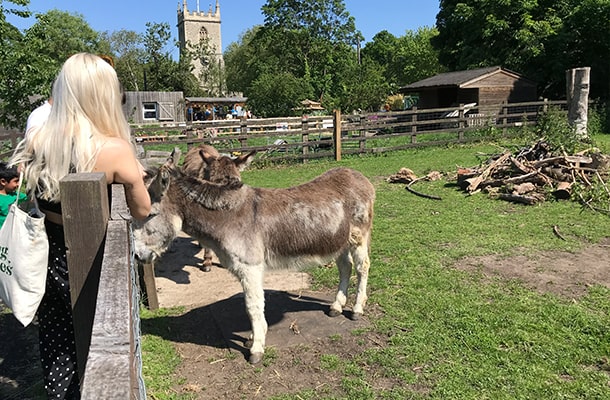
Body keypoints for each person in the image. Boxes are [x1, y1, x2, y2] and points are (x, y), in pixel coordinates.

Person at [10, 53, 151, 399]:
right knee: (101, 338)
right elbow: (142, 210)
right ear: (103, 95)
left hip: (47, 254)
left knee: (58, 340)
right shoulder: (113, 149)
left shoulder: (38, 140)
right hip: (92, 259)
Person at [0, 161, 27, 227]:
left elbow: (29, 199)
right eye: (16, 181)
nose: (18, 184)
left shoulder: (16, 195)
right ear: (3, 182)